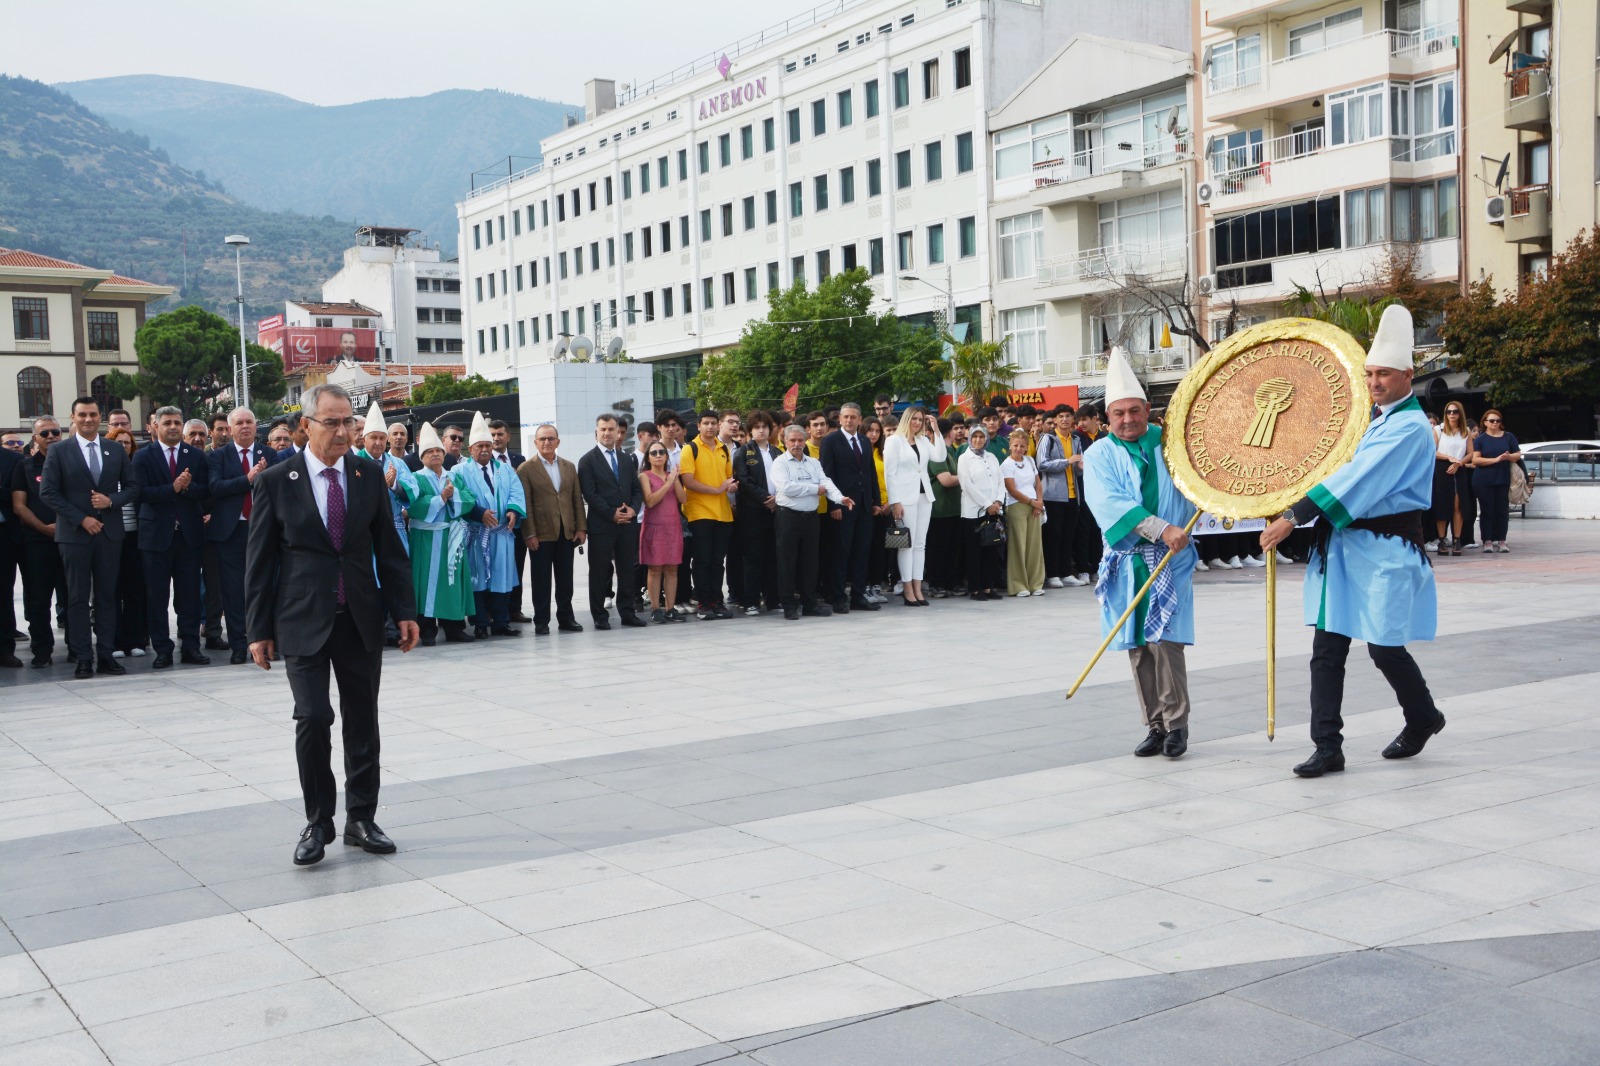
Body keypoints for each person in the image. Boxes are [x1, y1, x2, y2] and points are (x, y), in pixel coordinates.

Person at [1260, 304, 1446, 778]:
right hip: (1343, 548)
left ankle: (1423, 716)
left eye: (1384, 373)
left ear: (1408, 374)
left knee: (1384, 647)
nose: (1375, 381)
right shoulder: (1373, 421)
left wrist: (1295, 515)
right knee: (1327, 648)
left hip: (1384, 547)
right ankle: (1327, 746)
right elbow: (1333, 466)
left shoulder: (1408, 427)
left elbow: (1359, 478)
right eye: (1369, 374)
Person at [246, 383, 418, 866]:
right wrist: (257, 630)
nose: (344, 431)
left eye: (350, 422)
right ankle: (318, 821)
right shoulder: (277, 481)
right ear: (307, 426)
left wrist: (404, 611)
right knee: (314, 717)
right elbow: (259, 563)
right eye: (333, 422)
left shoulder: (368, 474)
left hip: (360, 617)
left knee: (363, 719)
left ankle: (361, 818)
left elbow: (390, 548)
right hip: (301, 620)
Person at [1083, 349, 1198, 760]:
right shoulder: (1098, 455)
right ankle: (1154, 724)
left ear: (1148, 409)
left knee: (1165, 641)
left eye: (1135, 410)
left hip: (1171, 558)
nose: (1128, 419)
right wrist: (1158, 527)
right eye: (1119, 413)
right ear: (1107, 418)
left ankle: (1177, 723)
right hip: (1128, 558)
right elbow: (1109, 503)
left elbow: (1198, 481)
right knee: (1136, 644)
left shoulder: (1174, 444)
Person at [42, 397, 139, 679]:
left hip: (110, 535)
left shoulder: (114, 450)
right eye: (82, 415)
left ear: (101, 418)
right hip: (75, 536)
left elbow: (132, 487)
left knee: (108, 597)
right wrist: (81, 518)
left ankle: (106, 655)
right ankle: (84, 657)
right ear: (73, 417)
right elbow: (48, 492)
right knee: (77, 598)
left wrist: (111, 501)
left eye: (93, 414)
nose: (88, 419)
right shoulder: (60, 451)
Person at [132, 405, 211, 669]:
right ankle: (163, 650)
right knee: (157, 597)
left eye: (177, 422)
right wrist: (173, 488)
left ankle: (190, 647)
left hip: (188, 536)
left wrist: (186, 489)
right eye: (167, 423)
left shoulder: (195, 456)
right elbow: (140, 493)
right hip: (156, 537)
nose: (173, 427)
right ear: (155, 426)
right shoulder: (143, 456)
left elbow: (205, 491)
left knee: (188, 596)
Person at [206, 407, 275, 664]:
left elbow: (278, 490)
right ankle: (238, 645)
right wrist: (247, 478)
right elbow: (215, 487)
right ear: (231, 428)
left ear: (256, 427)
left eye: (249, 422)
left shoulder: (269, 454)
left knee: (263, 588)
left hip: (261, 530)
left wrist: (264, 476)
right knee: (234, 592)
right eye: (239, 423)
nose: (245, 426)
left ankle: (266, 643)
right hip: (231, 531)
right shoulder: (219, 457)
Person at [452, 412, 525, 638]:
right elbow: (459, 497)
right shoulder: (459, 471)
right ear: (470, 449)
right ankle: (481, 622)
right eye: (479, 446)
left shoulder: (505, 470)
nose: (484, 449)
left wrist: (513, 510)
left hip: (501, 532)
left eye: (487, 445)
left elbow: (516, 492)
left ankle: (501, 622)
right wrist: (479, 513)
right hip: (476, 533)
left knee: (502, 577)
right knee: (479, 579)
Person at [771, 424, 853, 620]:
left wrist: (840, 498)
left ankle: (809, 603)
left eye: (800, 440)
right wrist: (814, 489)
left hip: (811, 517)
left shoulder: (813, 463)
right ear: (785, 441)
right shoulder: (780, 463)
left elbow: (826, 481)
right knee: (787, 562)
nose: (797, 444)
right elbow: (787, 488)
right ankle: (789, 604)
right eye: (793, 440)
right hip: (788, 517)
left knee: (810, 562)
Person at [408, 423, 476, 646]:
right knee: (425, 583)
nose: (435, 454)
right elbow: (413, 505)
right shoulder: (415, 478)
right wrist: (441, 499)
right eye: (430, 452)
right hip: (425, 538)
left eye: (438, 451)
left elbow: (468, 499)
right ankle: (427, 630)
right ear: (422, 456)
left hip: (449, 537)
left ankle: (453, 627)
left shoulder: (453, 477)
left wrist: (452, 495)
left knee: (451, 583)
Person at [516, 422, 586, 635]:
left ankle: (566, 618)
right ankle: (542, 621)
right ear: (536, 442)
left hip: (566, 531)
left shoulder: (568, 466)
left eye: (551, 438)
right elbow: (525, 504)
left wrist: (581, 528)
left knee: (565, 580)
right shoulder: (526, 469)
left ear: (558, 442)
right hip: (541, 534)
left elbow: (576, 499)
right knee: (541, 581)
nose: (547, 442)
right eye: (542, 439)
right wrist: (529, 533)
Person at [578, 413, 647, 629]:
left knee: (627, 570)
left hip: (627, 525)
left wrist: (633, 510)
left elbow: (636, 490)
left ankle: (627, 613)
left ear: (618, 432)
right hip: (602, 525)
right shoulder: (587, 460)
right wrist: (611, 513)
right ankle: (599, 615)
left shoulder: (626, 458)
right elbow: (589, 493)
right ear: (596, 432)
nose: (607, 433)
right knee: (599, 572)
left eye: (611, 429)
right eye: (603, 429)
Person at [11, 416, 68, 667]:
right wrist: (44, 528)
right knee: (38, 599)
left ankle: (78, 648)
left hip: (71, 541)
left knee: (73, 598)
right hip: (37, 542)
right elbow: (19, 506)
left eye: (55, 432)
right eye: (44, 433)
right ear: (35, 438)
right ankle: (42, 650)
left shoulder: (73, 463)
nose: (51, 436)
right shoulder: (24, 467)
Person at [883, 405, 947, 607]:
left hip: (924, 496)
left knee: (920, 544)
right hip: (904, 497)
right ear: (907, 420)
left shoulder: (923, 440)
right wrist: (895, 501)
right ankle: (907, 588)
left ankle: (918, 588)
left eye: (921, 419)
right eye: (914, 419)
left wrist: (936, 431)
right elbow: (889, 473)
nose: (917, 423)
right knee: (906, 545)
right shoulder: (894, 441)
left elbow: (940, 456)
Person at [678, 410, 737, 620]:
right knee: (702, 559)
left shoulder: (724, 449)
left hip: (723, 513)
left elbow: (728, 477)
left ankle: (717, 601)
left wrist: (731, 486)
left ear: (718, 425)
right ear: (699, 425)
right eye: (706, 423)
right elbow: (688, 481)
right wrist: (717, 489)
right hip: (699, 512)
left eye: (713, 423)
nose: (710, 427)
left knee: (717, 560)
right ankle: (704, 603)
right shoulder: (690, 449)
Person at [103, 426, 148, 661]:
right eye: (118, 442)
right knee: (112, 591)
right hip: (110, 536)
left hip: (135, 537)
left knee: (134, 590)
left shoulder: (136, 470)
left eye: (127, 443)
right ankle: (115, 641)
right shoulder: (105, 471)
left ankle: (135, 639)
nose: (123, 446)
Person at [732, 411, 781, 615]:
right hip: (752, 512)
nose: (761, 430)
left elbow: (785, 479)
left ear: (770, 429)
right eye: (757, 427)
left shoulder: (778, 452)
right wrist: (765, 498)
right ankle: (751, 600)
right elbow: (743, 481)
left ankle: (773, 600)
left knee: (773, 555)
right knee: (753, 557)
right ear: (750, 430)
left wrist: (777, 499)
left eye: (765, 427)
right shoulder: (743, 452)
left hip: (777, 509)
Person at [1037, 405, 1089, 587]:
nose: (1065, 419)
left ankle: (1066, 572)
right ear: (1055, 420)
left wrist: (1080, 467)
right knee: (1053, 536)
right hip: (1052, 496)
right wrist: (1066, 462)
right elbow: (1042, 464)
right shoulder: (1048, 439)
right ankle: (1052, 574)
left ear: (1073, 419)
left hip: (1073, 494)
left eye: (1068, 416)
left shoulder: (1076, 439)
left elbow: (1079, 468)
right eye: (1061, 416)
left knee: (1069, 536)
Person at [487, 419, 531, 623]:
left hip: (514, 526)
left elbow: (521, 491)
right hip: (490, 526)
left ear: (508, 436)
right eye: (492, 435)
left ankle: (515, 608)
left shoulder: (519, 459)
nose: (496, 438)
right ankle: (491, 611)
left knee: (516, 566)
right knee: (491, 568)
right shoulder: (482, 460)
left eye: (500, 434)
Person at [639, 438, 687, 623]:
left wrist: (674, 480)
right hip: (654, 526)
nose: (658, 456)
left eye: (661, 452)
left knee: (672, 568)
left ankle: (670, 607)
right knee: (655, 568)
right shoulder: (645, 476)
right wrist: (668, 484)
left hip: (673, 525)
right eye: (654, 453)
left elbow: (683, 499)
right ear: (648, 457)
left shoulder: (671, 475)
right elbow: (650, 501)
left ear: (667, 456)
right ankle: (655, 607)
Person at [958, 426, 1006, 600]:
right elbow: (967, 485)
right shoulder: (964, 459)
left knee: (991, 551)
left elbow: (1000, 479)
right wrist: (987, 504)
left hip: (993, 510)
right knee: (974, 552)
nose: (978, 440)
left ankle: (988, 586)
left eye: (981, 436)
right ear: (970, 438)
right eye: (975, 436)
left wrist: (998, 501)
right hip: (973, 512)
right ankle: (975, 589)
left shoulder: (991, 457)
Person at [1001, 428, 1045, 597]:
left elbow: (1038, 483)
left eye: (1022, 446)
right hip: (1016, 506)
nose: (1018, 449)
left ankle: (1035, 583)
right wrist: (1032, 502)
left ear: (1027, 447)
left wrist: (1039, 502)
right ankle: (1019, 585)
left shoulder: (1030, 461)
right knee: (1018, 546)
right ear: (1010, 446)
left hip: (1034, 506)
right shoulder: (1006, 464)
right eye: (1015, 445)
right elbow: (1011, 489)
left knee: (1035, 545)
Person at [1470, 409, 1522, 554]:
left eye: (1497, 421)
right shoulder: (1480, 439)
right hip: (1483, 480)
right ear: (1485, 422)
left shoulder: (1508, 437)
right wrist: (1495, 460)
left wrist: (1508, 456)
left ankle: (1502, 540)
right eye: (1491, 421)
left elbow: (1517, 454)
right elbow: (1475, 459)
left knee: (1502, 511)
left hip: (1502, 478)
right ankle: (1487, 540)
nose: (1495, 423)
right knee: (1487, 511)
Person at [925, 418, 963, 597]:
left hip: (954, 509)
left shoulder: (949, 452)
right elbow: (946, 480)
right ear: (950, 432)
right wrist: (968, 476)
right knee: (938, 549)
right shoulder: (936, 454)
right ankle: (936, 583)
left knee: (952, 548)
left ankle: (950, 582)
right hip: (939, 510)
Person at [1431, 401, 1474, 556]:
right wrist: (1449, 458)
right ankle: (1442, 540)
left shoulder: (1466, 431)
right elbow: (1431, 451)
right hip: (1443, 467)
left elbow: (1470, 452)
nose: (1451, 415)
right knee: (1442, 504)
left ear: (1460, 413)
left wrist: (1459, 462)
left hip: (1459, 467)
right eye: (1449, 412)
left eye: (1455, 412)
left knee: (1458, 505)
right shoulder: (1439, 429)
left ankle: (1457, 539)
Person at [0, 420, 23, 668]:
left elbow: (18, 496)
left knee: (3, 593)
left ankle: (5, 648)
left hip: (4, 534)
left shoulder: (11, 460)